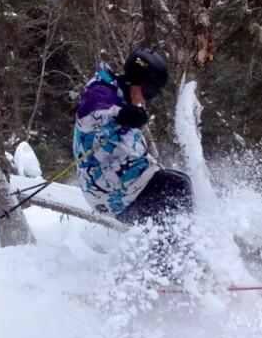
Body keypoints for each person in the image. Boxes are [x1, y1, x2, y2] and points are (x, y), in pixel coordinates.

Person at [73, 49, 193, 226]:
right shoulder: (101, 90)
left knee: (180, 181)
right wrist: (119, 114)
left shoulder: (123, 99)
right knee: (175, 185)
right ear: (136, 81)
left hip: (125, 182)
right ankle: (176, 249)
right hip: (107, 188)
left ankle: (182, 241)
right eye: (149, 92)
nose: (146, 99)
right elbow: (87, 117)